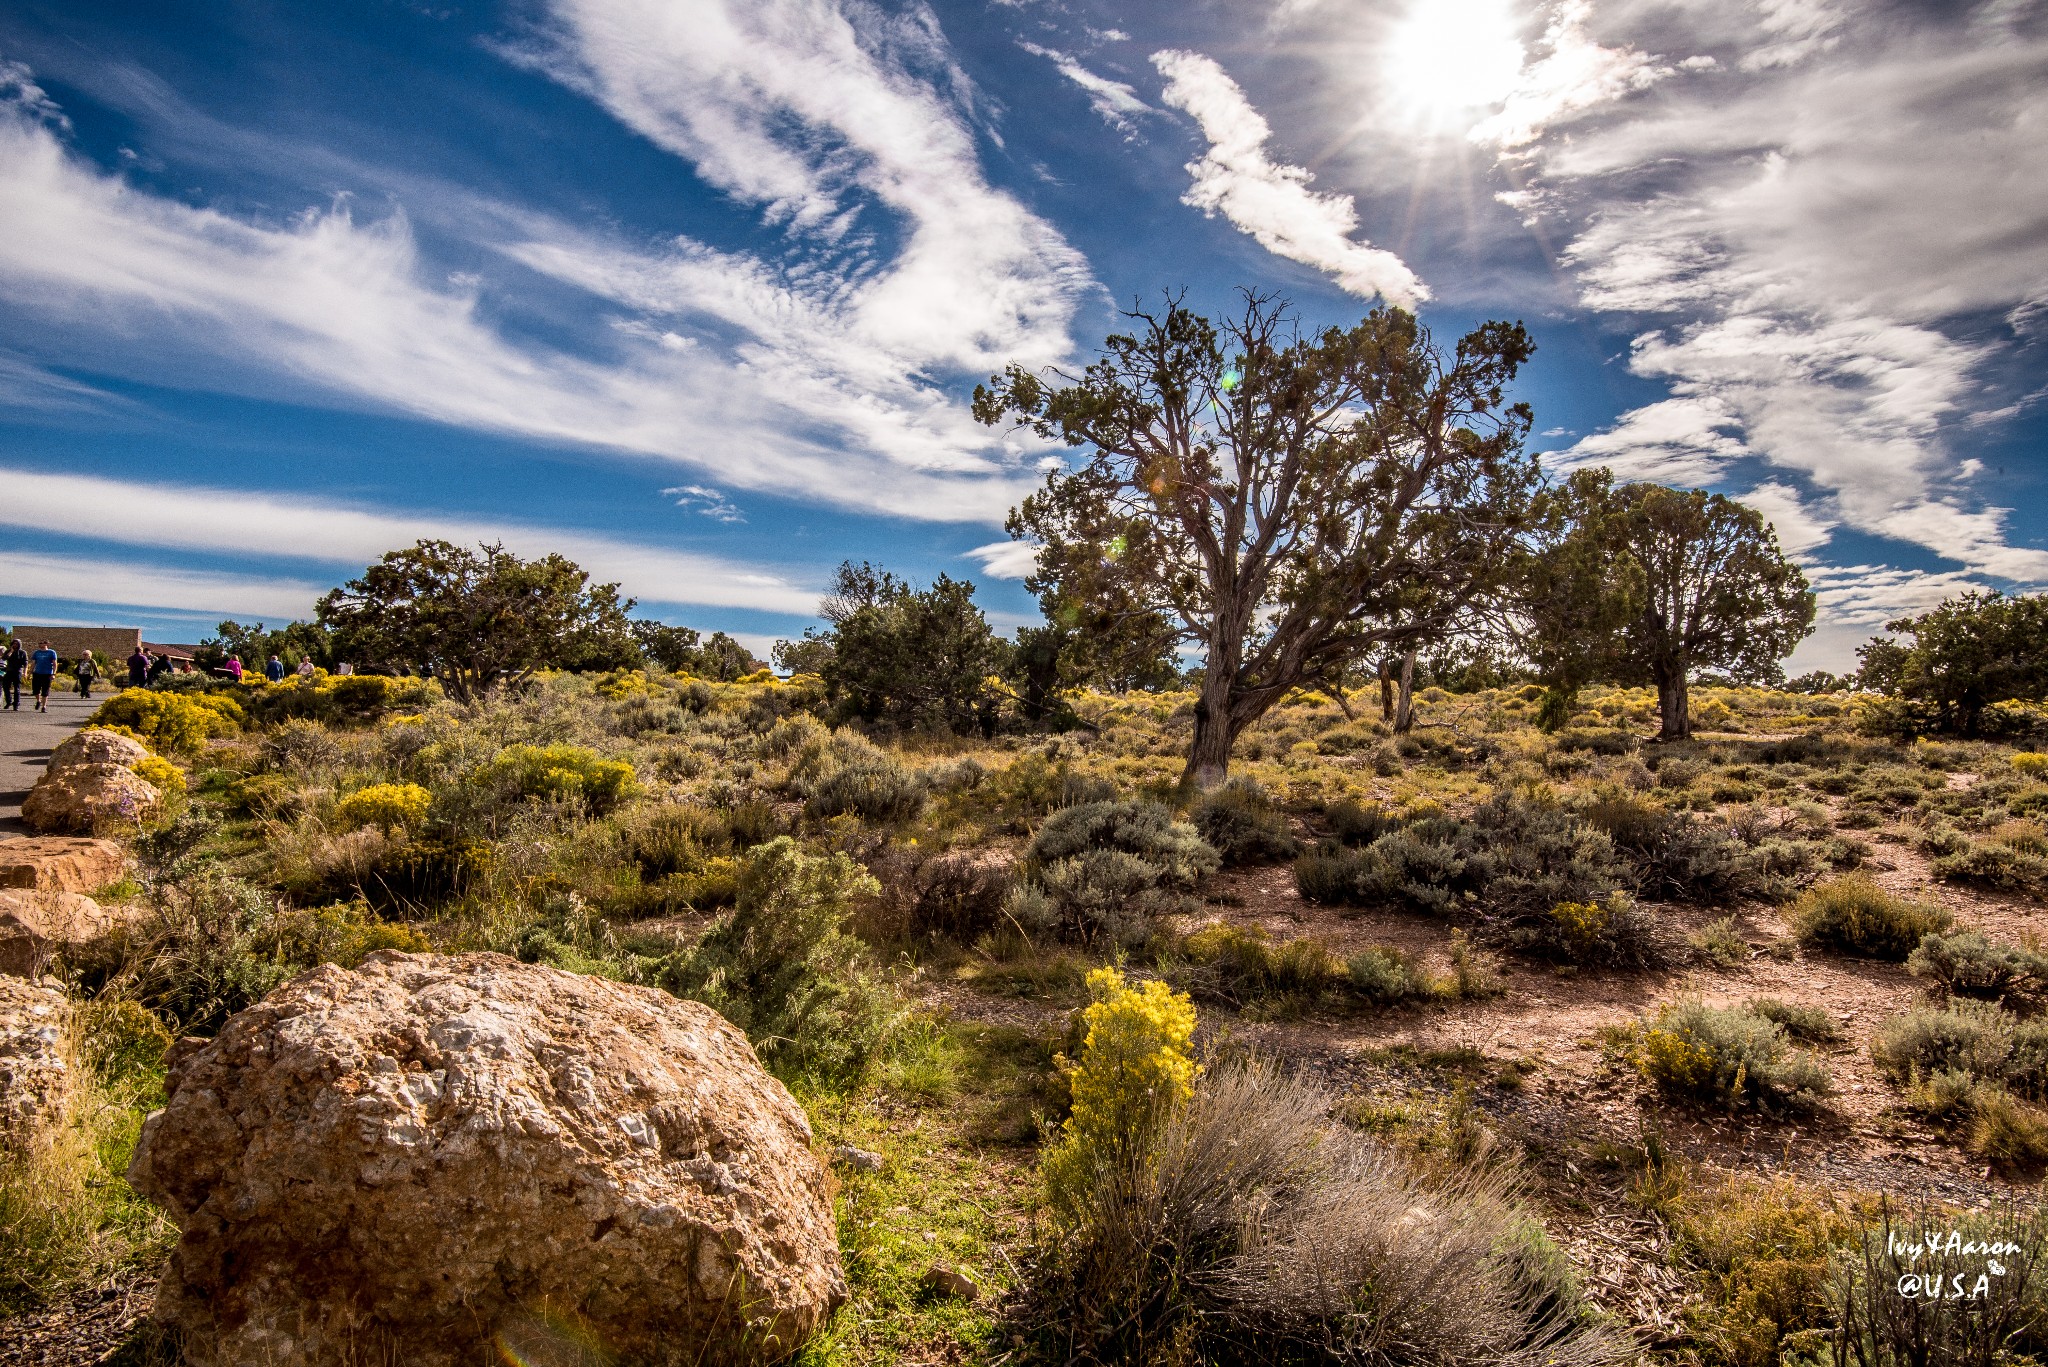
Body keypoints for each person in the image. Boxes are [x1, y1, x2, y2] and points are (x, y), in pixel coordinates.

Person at [28, 641, 58, 713]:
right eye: (39, 643)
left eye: (42, 643)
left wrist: (53, 674)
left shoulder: (51, 652)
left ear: (46, 644)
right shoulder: (36, 652)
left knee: (45, 691)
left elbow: (54, 664)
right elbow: (34, 663)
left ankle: (44, 706)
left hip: (47, 673)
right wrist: (30, 672)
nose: (40, 644)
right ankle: (38, 701)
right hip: (37, 673)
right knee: (35, 690)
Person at [1, 638, 24, 711]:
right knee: (5, 687)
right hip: (9, 671)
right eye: (14, 643)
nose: (15, 645)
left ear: (19, 644)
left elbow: (24, 662)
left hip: (17, 672)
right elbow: (4, 658)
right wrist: (11, 651)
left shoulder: (22, 652)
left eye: (17, 644)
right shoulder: (8, 651)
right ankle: (9, 701)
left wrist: (25, 672)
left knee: (16, 688)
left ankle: (16, 704)